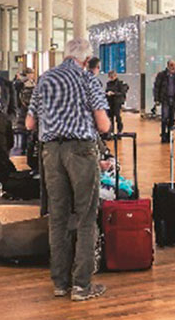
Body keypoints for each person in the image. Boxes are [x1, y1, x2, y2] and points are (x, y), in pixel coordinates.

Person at [26, 39, 112, 301]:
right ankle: (82, 286)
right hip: (81, 151)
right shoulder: (88, 79)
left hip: (51, 152)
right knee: (86, 216)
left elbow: (30, 123)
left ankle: (60, 283)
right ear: (86, 60)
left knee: (58, 217)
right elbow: (104, 125)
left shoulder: (45, 79)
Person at [153, 59, 175, 143]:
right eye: (171, 65)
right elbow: (156, 87)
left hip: (174, 99)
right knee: (164, 118)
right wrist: (156, 99)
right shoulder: (161, 75)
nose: (173, 67)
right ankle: (163, 135)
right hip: (165, 99)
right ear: (167, 66)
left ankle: (170, 135)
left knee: (171, 118)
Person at [104, 70, 128, 134]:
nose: (111, 78)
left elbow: (122, 92)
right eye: (110, 77)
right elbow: (106, 90)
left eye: (112, 76)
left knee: (117, 116)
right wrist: (107, 93)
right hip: (110, 101)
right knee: (110, 117)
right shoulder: (108, 83)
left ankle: (119, 130)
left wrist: (114, 93)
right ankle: (111, 131)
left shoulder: (120, 83)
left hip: (117, 102)